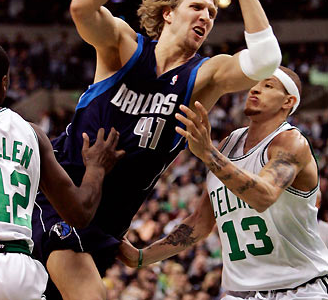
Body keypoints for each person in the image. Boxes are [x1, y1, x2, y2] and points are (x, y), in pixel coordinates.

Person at [32, 0, 282, 300]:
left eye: (213, 13)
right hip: (62, 196)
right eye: (197, 7)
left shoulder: (205, 75)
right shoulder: (123, 48)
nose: (206, 17)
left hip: (108, 223)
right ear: (168, 13)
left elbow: (268, 59)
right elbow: (81, 6)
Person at [119, 66, 328, 299]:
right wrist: (141, 257)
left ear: (288, 102)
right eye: (256, 83)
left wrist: (208, 154)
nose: (255, 89)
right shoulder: (228, 144)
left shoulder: (291, 142)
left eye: (268, 85)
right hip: (240, 292)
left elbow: (264, 196)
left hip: (299, 289)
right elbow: (199, 222)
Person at [0, 39, 124, 300]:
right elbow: (79, 213)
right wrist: (96, 169)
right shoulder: (32, 133)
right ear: (4, 83)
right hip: (19, 272)